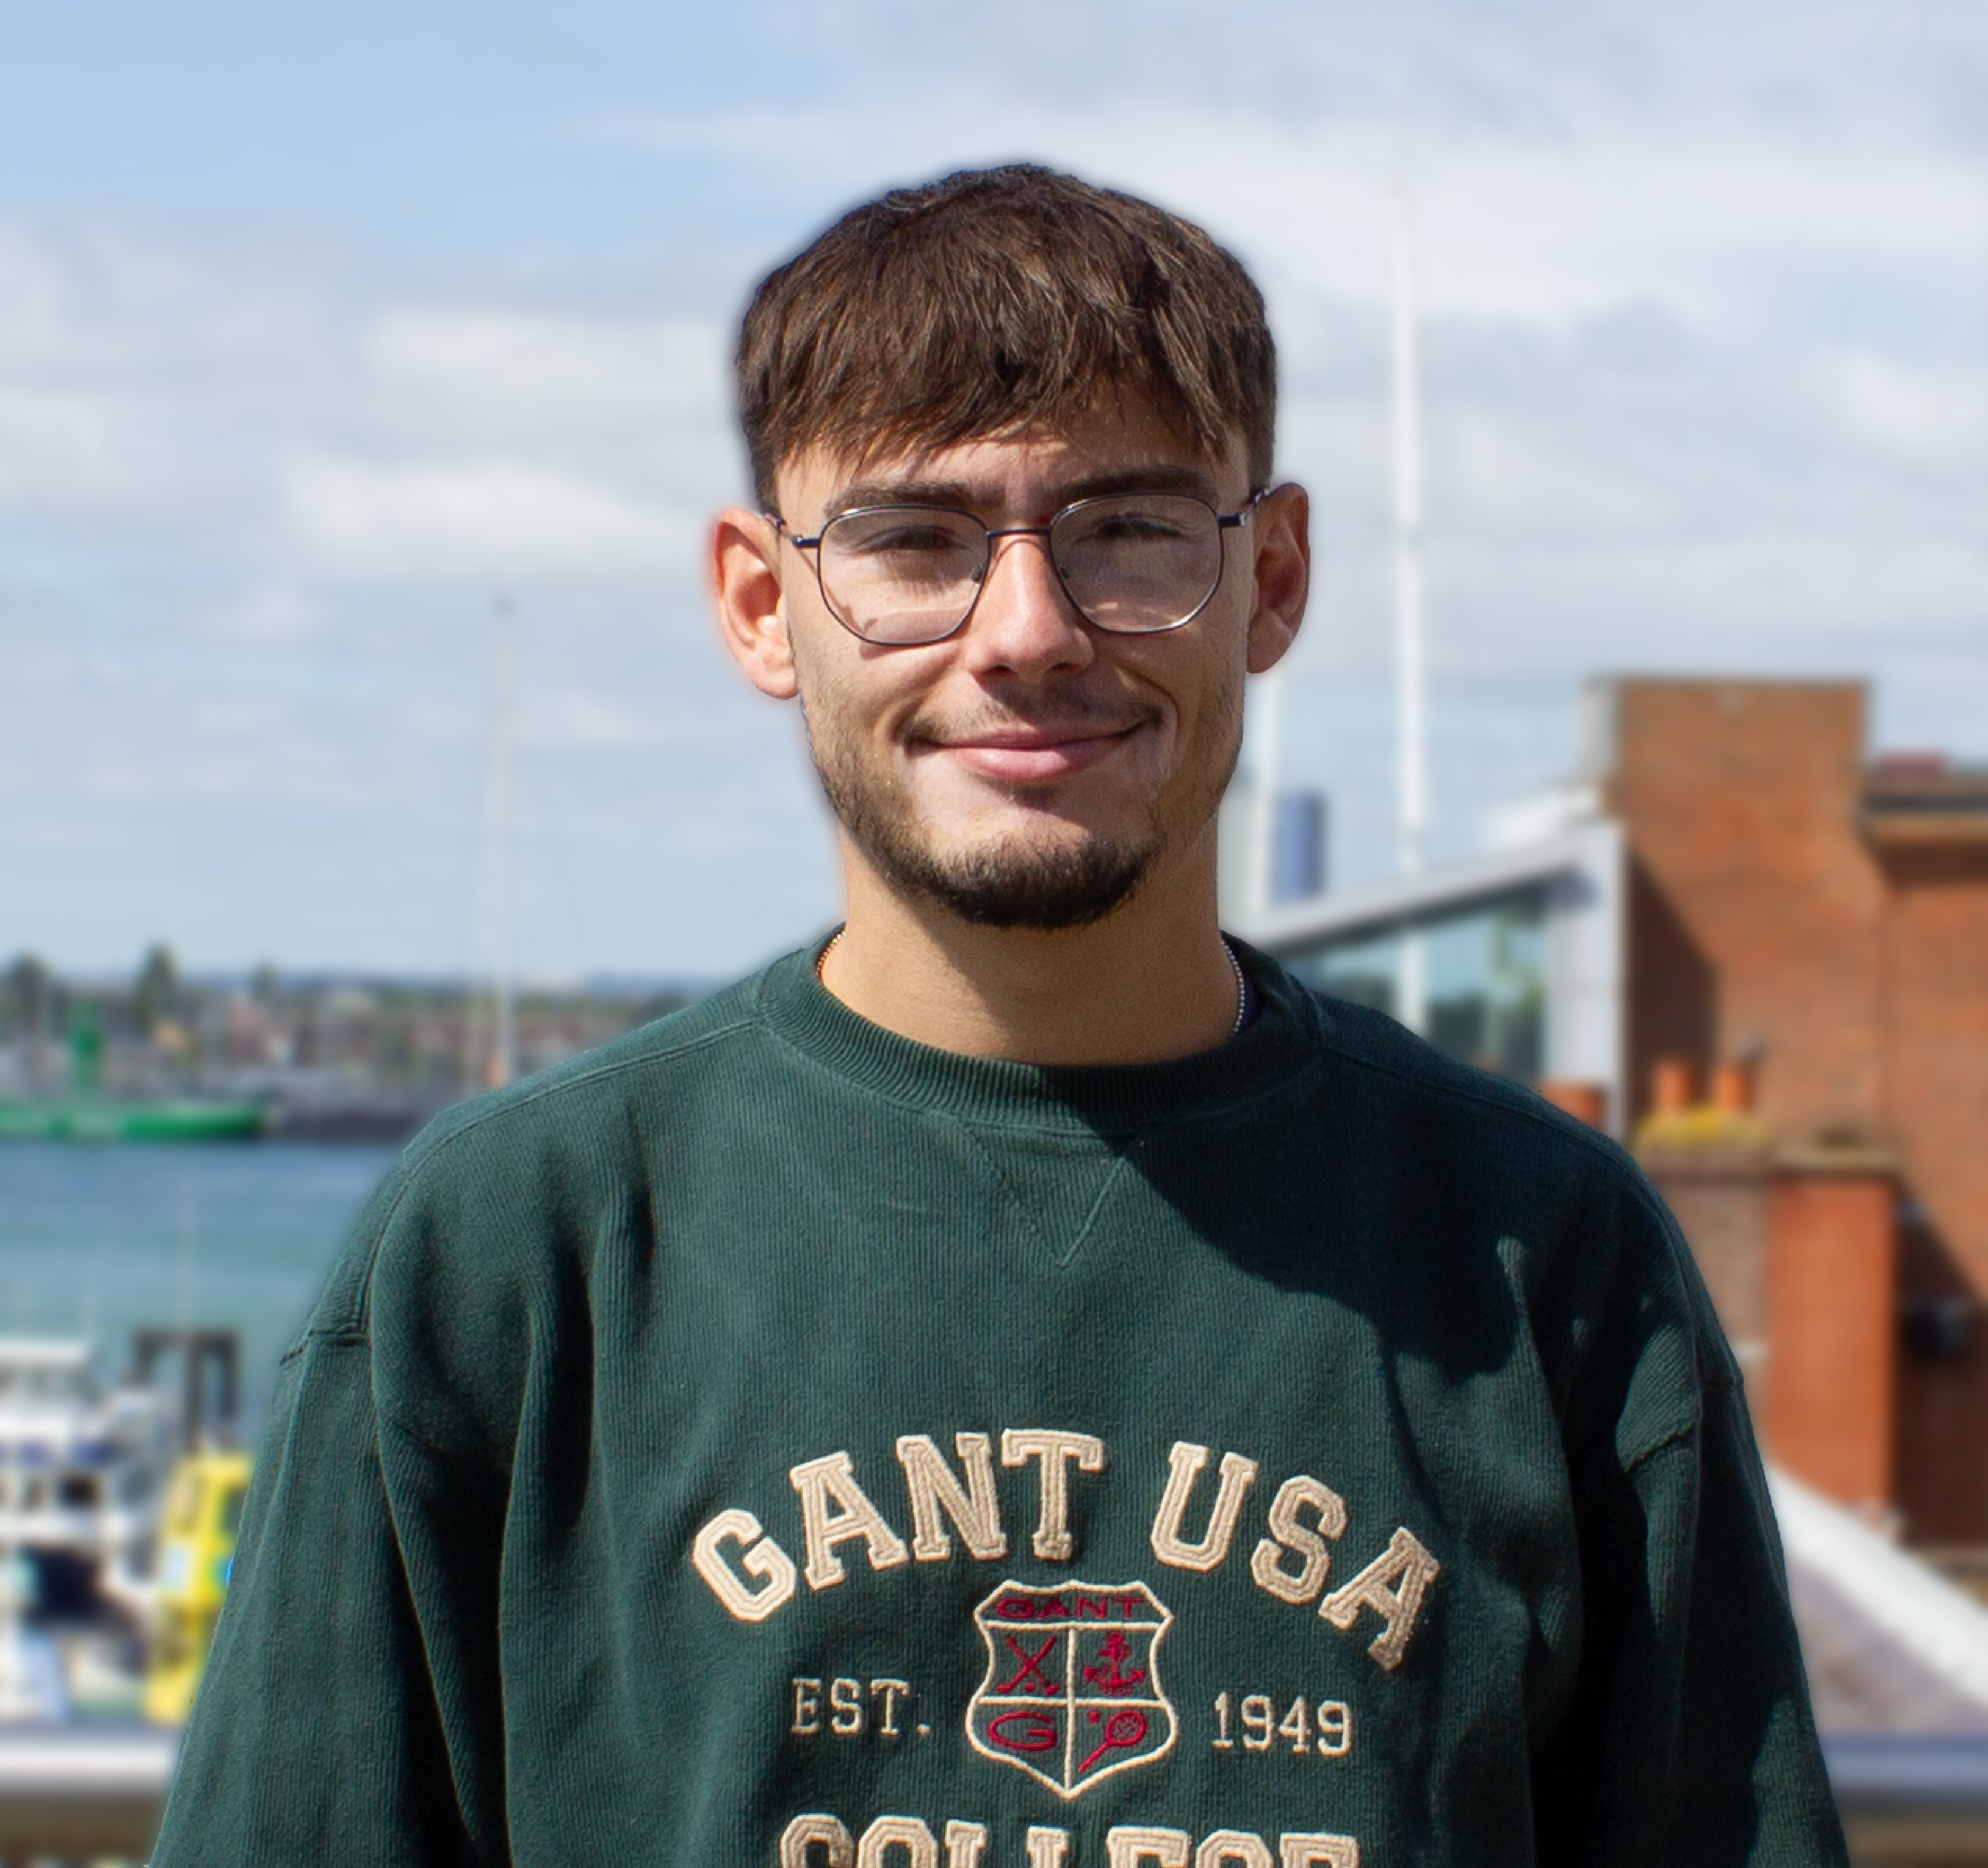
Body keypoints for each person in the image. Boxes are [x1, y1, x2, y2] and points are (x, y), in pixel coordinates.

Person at [152, 166, 1845, 1868]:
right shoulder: (513, 1253)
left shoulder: (1542, 1260)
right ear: (762, 602)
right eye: (912, 540)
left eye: (1127, 530)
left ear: (1271, 578)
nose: (1027, 633)